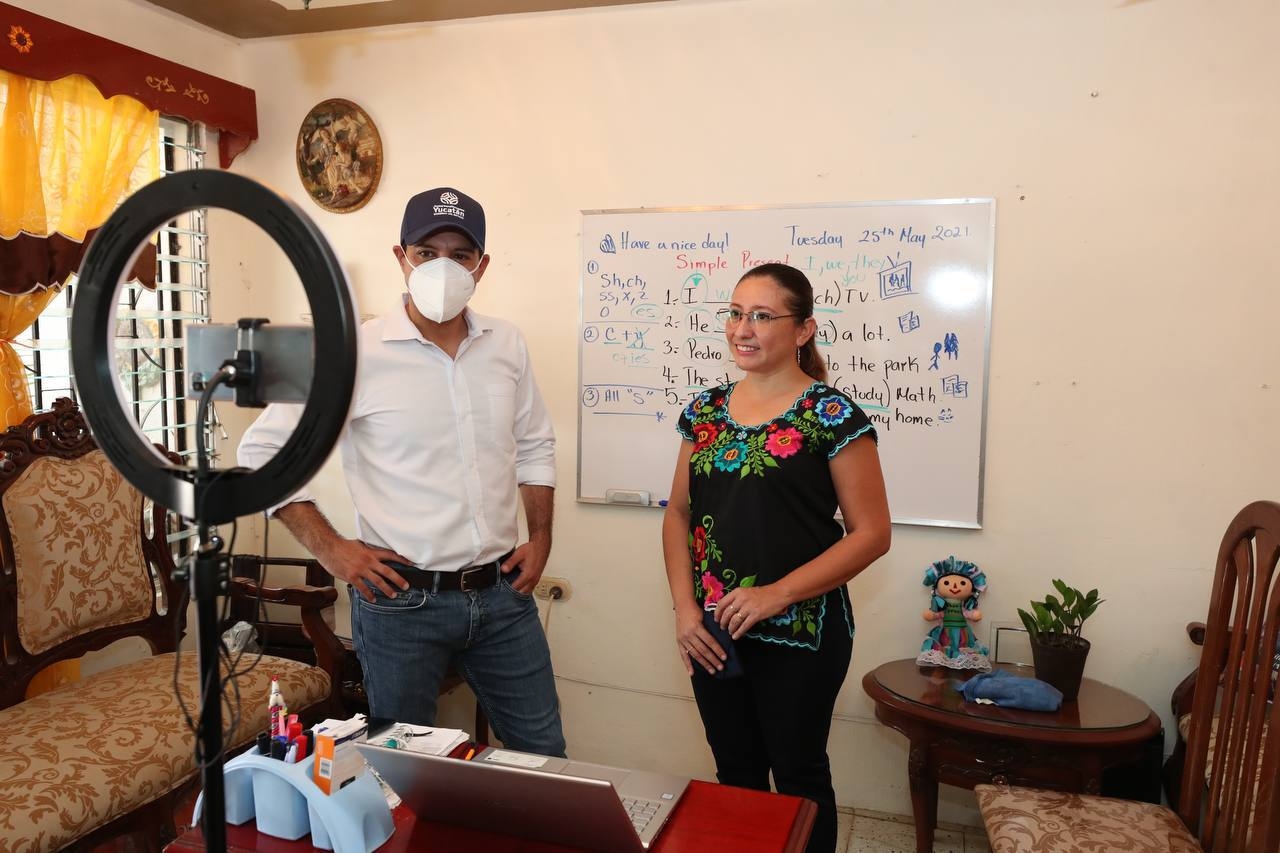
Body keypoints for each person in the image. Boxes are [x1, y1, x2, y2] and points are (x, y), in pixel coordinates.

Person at [239, 186, 565, 757]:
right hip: (401, 605)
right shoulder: (350, 353)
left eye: (460, 255)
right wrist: (332, 550)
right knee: (405, 773)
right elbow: (265, 449)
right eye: (426, 251)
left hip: (502, 597)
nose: (443, 266)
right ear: (401, 257)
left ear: (481, 266)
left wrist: (541, 538)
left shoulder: (506, 344)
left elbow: (535, 444)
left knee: (543, 758)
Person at [661, 263, 891, 852]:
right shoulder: (705, 411)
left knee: (799, 778)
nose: (744, 328)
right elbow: (679, 514)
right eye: (736, 313)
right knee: (734, 775)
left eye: (763, 315)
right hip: (715, 632)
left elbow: (872, 534)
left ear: (804, 329)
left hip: (802, 632)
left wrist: (775, 595)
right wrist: (686, 611)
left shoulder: (832, 416)